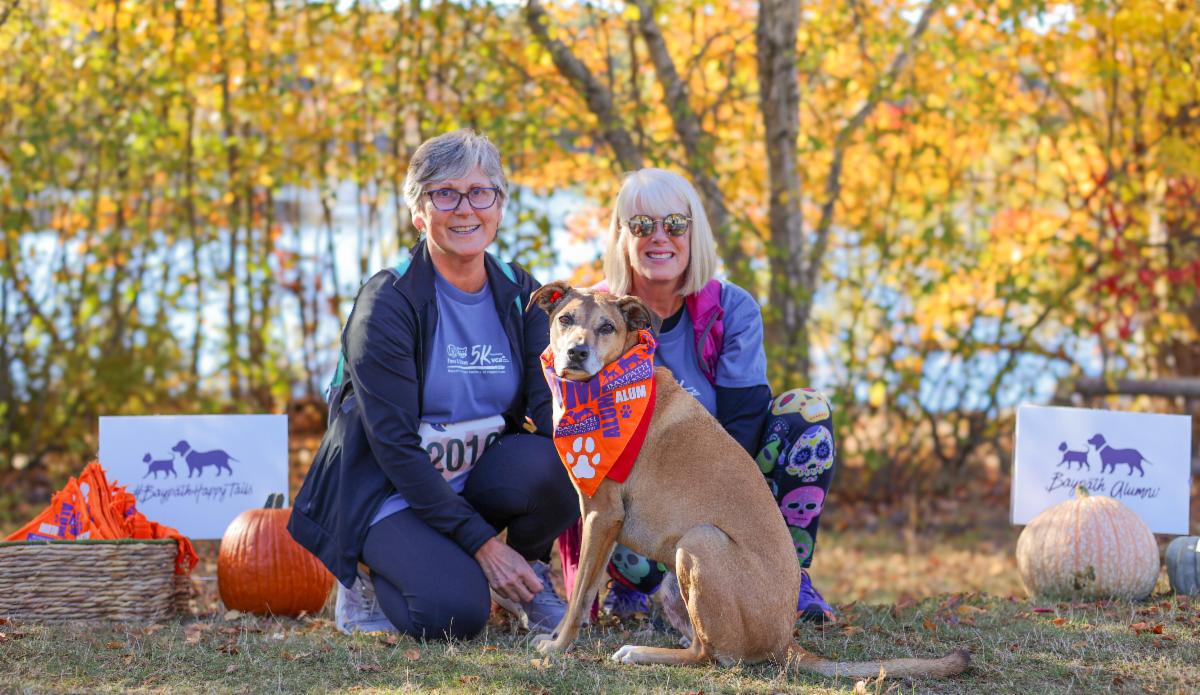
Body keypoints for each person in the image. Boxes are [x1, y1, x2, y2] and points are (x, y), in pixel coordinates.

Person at [288, 130, 578, 640]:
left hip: (474, 479)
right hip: (390, 489)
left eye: (480, 192)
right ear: (419, 213)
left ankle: (527, 579)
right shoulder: (388, 303)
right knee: (453, 615)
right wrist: (484, 547)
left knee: (563, 458)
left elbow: (552, 407)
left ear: (499, 206)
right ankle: (365, 576)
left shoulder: (520, 292)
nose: (465, 208)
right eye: (444, 194)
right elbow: (394, 448)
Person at [584, 167, 838, 624]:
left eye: (674, 224)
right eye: (641, 224)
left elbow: (743, 425)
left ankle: (787, 575)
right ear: (622, 235)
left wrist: (706, 511)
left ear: (694, 233)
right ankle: (633, 586)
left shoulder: (733, 308)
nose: (659, 237)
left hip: (725, 488)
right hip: (640, 506)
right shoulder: (593, 313)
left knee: (807, 411)